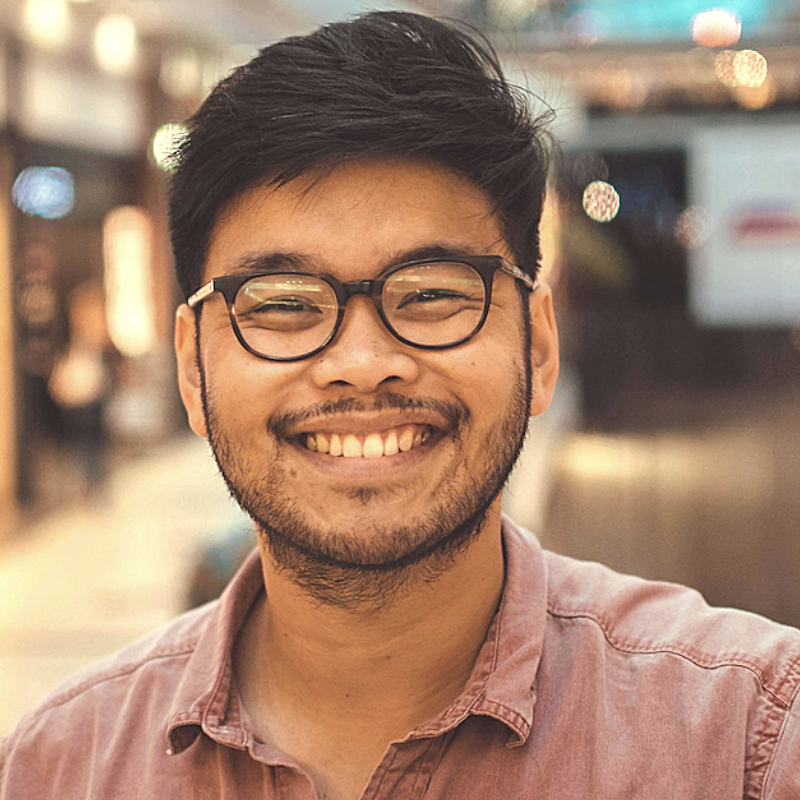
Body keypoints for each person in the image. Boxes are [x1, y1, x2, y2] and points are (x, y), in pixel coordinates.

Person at [1, 12, 798, 800]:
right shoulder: (59, 767)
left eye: (431, 294)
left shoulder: (747, 740)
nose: (361, 366)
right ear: (191, 369)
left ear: (539, 346)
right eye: (282, 304)